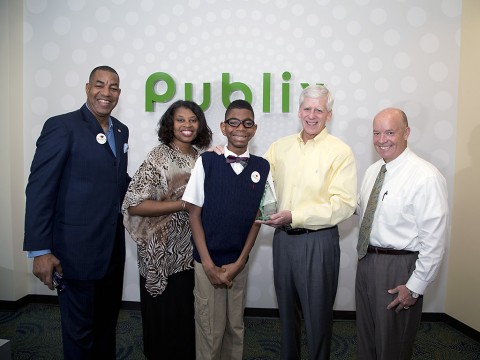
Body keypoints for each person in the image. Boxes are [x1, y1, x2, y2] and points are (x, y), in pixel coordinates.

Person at [23, 65, 129, 359]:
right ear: (87, 88)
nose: (106, 93)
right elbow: (40, 189)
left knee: (106, 326)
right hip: (74, 252)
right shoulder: (62, 126)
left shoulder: (121, 131)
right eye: (100, 85)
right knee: (80, 333)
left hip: (111, 252)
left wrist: (162, 189)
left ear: (119, 93)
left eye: (113, 87)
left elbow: (118, 180)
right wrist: (40, 250)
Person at [258, 84, 357, 360]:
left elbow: (344, 205)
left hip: (319, 243)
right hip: (283, 242)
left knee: (317, 319)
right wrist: (226, 155)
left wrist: (295, 215)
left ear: (329, 114)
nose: (312, 115)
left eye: (319, 110)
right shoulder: (280, 147)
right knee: (286, 316)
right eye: (307, 108)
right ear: (299, 111)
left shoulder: (341, 152)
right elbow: (255, 179)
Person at [355, 108, 448, 360]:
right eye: (376, 133)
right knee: (366, 340)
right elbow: (362, 211)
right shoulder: (372, 171)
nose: (382, 139)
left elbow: (434, 241)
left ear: (406, 133)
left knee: (393, 347)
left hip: (399, 268)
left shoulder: (426, 176)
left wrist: (415, 287)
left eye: (389, 132)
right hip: (366, 262)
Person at [122, 100, 212, 359]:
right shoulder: (159, 155)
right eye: (180, 119)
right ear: (170, 124)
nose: (187, 125)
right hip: (160, 251)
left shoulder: (198, 157)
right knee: (163, 319)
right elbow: (134, 205)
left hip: (187, 251)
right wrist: (182, 204)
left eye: (193, 120)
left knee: (184, 316)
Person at [182, 99, 270, 360]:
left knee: (235, 327)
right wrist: (208, 264)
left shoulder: (263, 167)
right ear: (223, 126)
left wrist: (241, 261)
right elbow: (194, 212)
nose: (240, 128)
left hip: (237, 264)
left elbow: (259, 217)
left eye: (247, 123)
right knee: (210, 330)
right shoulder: (207, 161)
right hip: (206, 263)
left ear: (254, 129)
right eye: (233, 122)